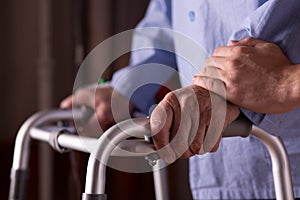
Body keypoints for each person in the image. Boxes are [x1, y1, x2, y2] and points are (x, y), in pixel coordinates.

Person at [61, 0, 300, 199]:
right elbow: (168, 23)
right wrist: (127, 90)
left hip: (287, 160)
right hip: (217, 168)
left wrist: (227, 85)